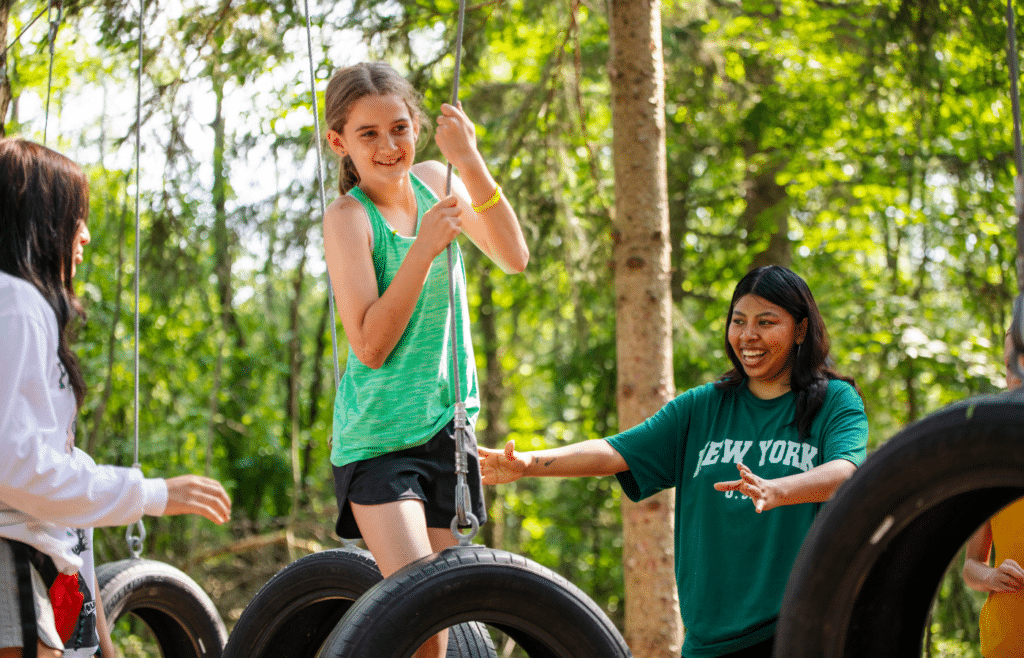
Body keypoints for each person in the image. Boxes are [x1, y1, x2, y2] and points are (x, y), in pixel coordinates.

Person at [481, 265, 868, 658]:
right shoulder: (702, 407)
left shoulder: (834, 402)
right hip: (709, 640)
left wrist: (776, 489)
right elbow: (616, 451)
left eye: (766, 322)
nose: (749, 335)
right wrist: (528, 463)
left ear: (800, 330)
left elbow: (846, 473)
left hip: (798, 627)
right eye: (739, 321)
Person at [321, 62, 529, 658]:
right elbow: (370, 345)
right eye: (368, 134)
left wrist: (469, 160)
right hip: (380, 438)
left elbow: (513, 256)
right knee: (421, 627)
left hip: (446, 429)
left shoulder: (439, 180)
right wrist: (422, 251)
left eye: (399, 128)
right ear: (340, 142)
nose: (389, 147)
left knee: (454, 611)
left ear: (417, 126)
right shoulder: (348, 218)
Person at [0, 137, 233, 658]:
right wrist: (151, 494)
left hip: (32, 558)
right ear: (39, 218)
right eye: (74, 217)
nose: (83, 235)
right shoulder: (15, 303)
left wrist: (99, 632)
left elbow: (48, 469)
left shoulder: (22, 305)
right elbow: (14, 467)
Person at [961, 329, 1024, 658]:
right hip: (1006, 642)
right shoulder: (991, 456)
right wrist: (992, 575)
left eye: (1021, 362)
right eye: (1007, 364)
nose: (1013, 375)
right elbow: (971, 565)